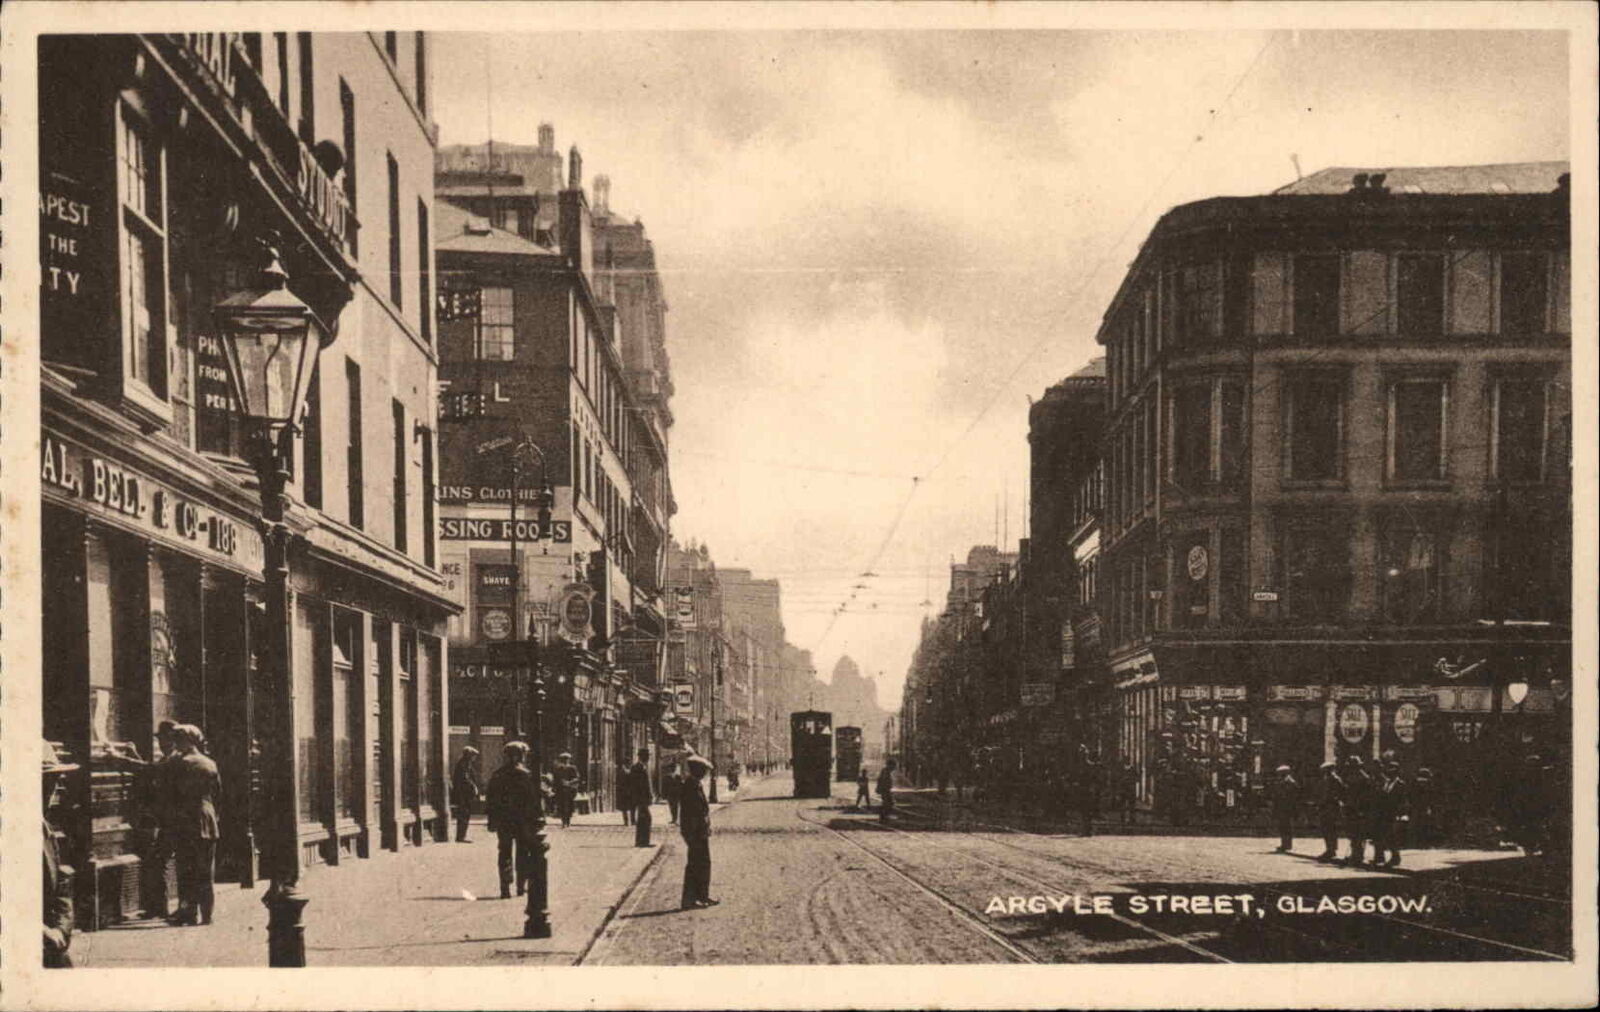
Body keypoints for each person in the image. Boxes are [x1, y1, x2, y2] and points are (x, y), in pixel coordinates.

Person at [167, 724, 220, 926]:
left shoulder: (180, 763)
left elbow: (165, 785)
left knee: (186, 871)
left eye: (177, 739)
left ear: (187, 741)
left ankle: (188, 913)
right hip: (208, 821)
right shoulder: (210, 763)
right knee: (206, 873)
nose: (175, 744)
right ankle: (207, 915)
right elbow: (218, 794)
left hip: (186, 821)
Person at [485, 741, 542, 898]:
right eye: (523, 755)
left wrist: (492, 820)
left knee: (504, 852)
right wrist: (537, 818)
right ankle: (520, 886)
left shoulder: (498, 775)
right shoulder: (526, 774)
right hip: (522, 820)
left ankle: (505, 887)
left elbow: (491, 799)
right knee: (523, 852)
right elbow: (533, 799)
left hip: (504, 820)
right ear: (519, 756)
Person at [44, 740, 79, 968]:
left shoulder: (45, 829)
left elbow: (61, 888)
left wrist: (60, 928)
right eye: (48, 781)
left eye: (55, 781)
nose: (54, 789)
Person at [679, 754, 718, 909]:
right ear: (697, 770)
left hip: (699, 831)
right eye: (703, 770)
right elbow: (691, 812)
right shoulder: (690, 786)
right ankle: (690, 900)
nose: (705, 773)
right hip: (694, 832)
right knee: (695, 864)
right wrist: (696, 832)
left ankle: (702, 896)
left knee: (703, 864)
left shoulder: (695, 784)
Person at [1371, 758, 1409, 868]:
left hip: (1394, 814)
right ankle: (1382, 857)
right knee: (1384, 836)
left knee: (1392, 837)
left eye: (1393, 771)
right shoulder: (1386, 783)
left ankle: (1396, 857)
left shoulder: (1400, 784)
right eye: (1390, 770)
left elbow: (1403, 800)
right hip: (1384, 813)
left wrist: (1401, 813)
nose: (1391, 773)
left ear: (1397, 772)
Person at [1338, 755, 1375, 867]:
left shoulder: (1364, 778)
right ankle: (1355, 854)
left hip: (1359, 810)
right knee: (1352, 833)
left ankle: (1359, 856)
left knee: (1360, 834)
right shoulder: (1350, 777)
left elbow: (1367, 796)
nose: (1351, 768)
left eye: (1352, 766)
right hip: (1351, 808)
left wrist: (1363, 809)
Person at [623, 748, 655, 847]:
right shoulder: (637, 768)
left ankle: (643, 841)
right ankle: (642, 842)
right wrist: (641, 798)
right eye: (647, 756)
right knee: (645, 819)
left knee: (644, 819)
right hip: (640, 798)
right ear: (642, 756)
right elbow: (637, 785)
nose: (648, 758)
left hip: (642, 798)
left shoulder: (641, 767)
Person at [1313, 761, 1343, 861]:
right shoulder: (1325, 779)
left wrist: (1334, 799)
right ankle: (1329, 849)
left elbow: (1340, 792)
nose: (1325, 772)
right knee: (1325, 829)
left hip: (1331, 807)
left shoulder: (1335, 779)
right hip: (1324, 807)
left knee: (1331, 829)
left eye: (1326, 770)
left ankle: (1332, 850)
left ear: (1331, 770)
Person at [450, 746, 482, 843]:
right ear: (469, 755)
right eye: (473, 756)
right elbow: (465, 779)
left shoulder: (465, 764)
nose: (474, 758)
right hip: (462, 795)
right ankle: (461, 836)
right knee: (463, 815)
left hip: (464, 795)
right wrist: (474, 787)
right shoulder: (464, 764)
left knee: (464, 815)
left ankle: (461, 835)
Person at [1269, 764, 1299, 853]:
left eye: (1281, 773)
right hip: (1282, 808)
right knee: (1283, 826)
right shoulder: (1283, 781)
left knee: (1286, 826)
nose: (1279, 775)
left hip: (1287, 808)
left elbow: (1292, 796)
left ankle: (1287, 844)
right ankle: (1284, 844)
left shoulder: (1290, 782)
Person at [551, 752, 581, 829]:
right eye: (563, 759)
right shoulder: (558, 769)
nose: (565, 761)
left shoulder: (572, 768)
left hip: (569, 790)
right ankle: (563, 821)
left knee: (569, 806)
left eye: (566, 759)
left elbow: (577, 778)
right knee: (561, 805)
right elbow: (555, 779)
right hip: (560, 790)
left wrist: (569, 782)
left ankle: (568, 821)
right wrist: (554, 788)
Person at [1117, 759, 1139, 825]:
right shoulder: (1130, 770)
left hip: (1128, 790)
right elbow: (1137, 778)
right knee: (1127, 805)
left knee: (1129, 805)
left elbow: (1137, 778)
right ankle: (1126, 818)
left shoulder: (1122, 770)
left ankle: (1127, 819)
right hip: (1126, 790)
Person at [877, 758, 897, 823]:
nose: (894, 768)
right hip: (885, 790)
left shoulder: (886, 771)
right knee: (887, 803)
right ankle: (883, 817)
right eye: (894, 766)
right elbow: (882, 781)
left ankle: (884, 817)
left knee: (888, 803)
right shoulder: (885, 771)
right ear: (890, 765)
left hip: (886, 789)